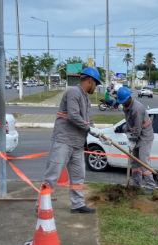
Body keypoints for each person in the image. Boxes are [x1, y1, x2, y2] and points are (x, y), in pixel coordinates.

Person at [39, 67, 107, 214]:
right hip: (63, 141)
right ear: (90, 80)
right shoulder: (73, 93)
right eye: (96, 84)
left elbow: (88, 122)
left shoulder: (85, 98)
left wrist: (98, 134)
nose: (96, 88)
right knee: (52, 175)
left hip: (77, 144)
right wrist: (90, 130)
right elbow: (73, 117)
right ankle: (41, 206)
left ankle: (77, 204)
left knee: (78, 176)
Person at [117, 87, 156, 195]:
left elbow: (138, 127)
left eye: (124, 102)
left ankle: (150, 186)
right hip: (135, 136)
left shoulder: (136, 108)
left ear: (129, 98)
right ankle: (136, 185)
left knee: (143, 162)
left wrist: (133, 140)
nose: (123, 104)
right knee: (134, 162)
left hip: (145, 137)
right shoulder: (126, 107)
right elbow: (129, 123)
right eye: (122, 103)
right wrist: (129, 134)